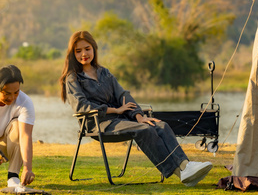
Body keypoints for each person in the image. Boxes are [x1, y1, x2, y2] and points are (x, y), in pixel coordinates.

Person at [59, 31, 212, 186]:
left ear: (94, 48)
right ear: (73, 53)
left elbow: (123, 95)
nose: (84, 54)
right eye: (78, 51)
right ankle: (182, 173)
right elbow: (81, 106)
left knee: (159, 125)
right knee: (144, 130)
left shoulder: (104, 72)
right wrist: (115, 110)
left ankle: (186, 166)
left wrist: (140, 116)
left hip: (121, 120)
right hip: (98, 124)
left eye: (87, 49)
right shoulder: (73, 77)